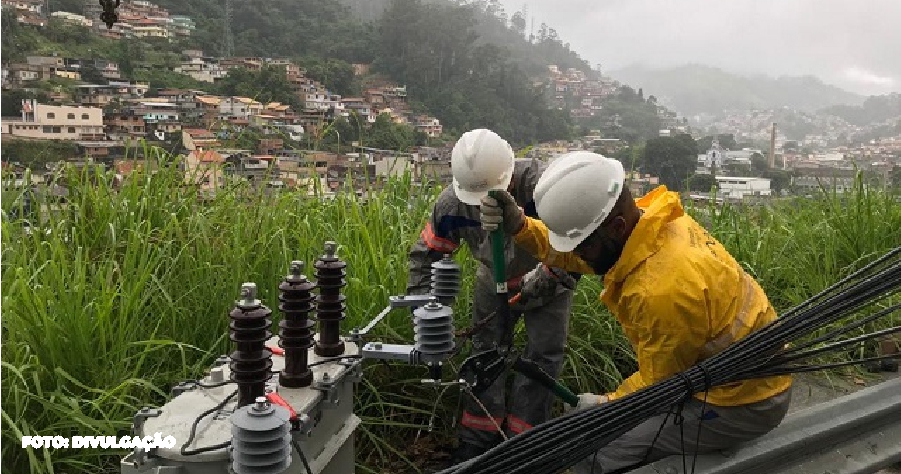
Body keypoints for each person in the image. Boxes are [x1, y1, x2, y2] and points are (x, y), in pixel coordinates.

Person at [478, 150, 793, 473]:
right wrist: (520, 226)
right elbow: (577, 253)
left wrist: (604, 406)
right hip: (734, 376)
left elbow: (660, 389)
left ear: (614, 227)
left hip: (743, 402)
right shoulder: (653, 223)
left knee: (593, 451)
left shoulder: (662, 289)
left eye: (582, 244)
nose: (576, 256)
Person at [406, 129, 581, 465]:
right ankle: (478, 438)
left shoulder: (543, 188)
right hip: (491, 280)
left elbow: (576, 240)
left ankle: (525, 443)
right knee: (485, 354)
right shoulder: (453, 203)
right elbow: (426, 254)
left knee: (542, 358)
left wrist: (552, 274)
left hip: (546, 280)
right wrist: (426, 309)